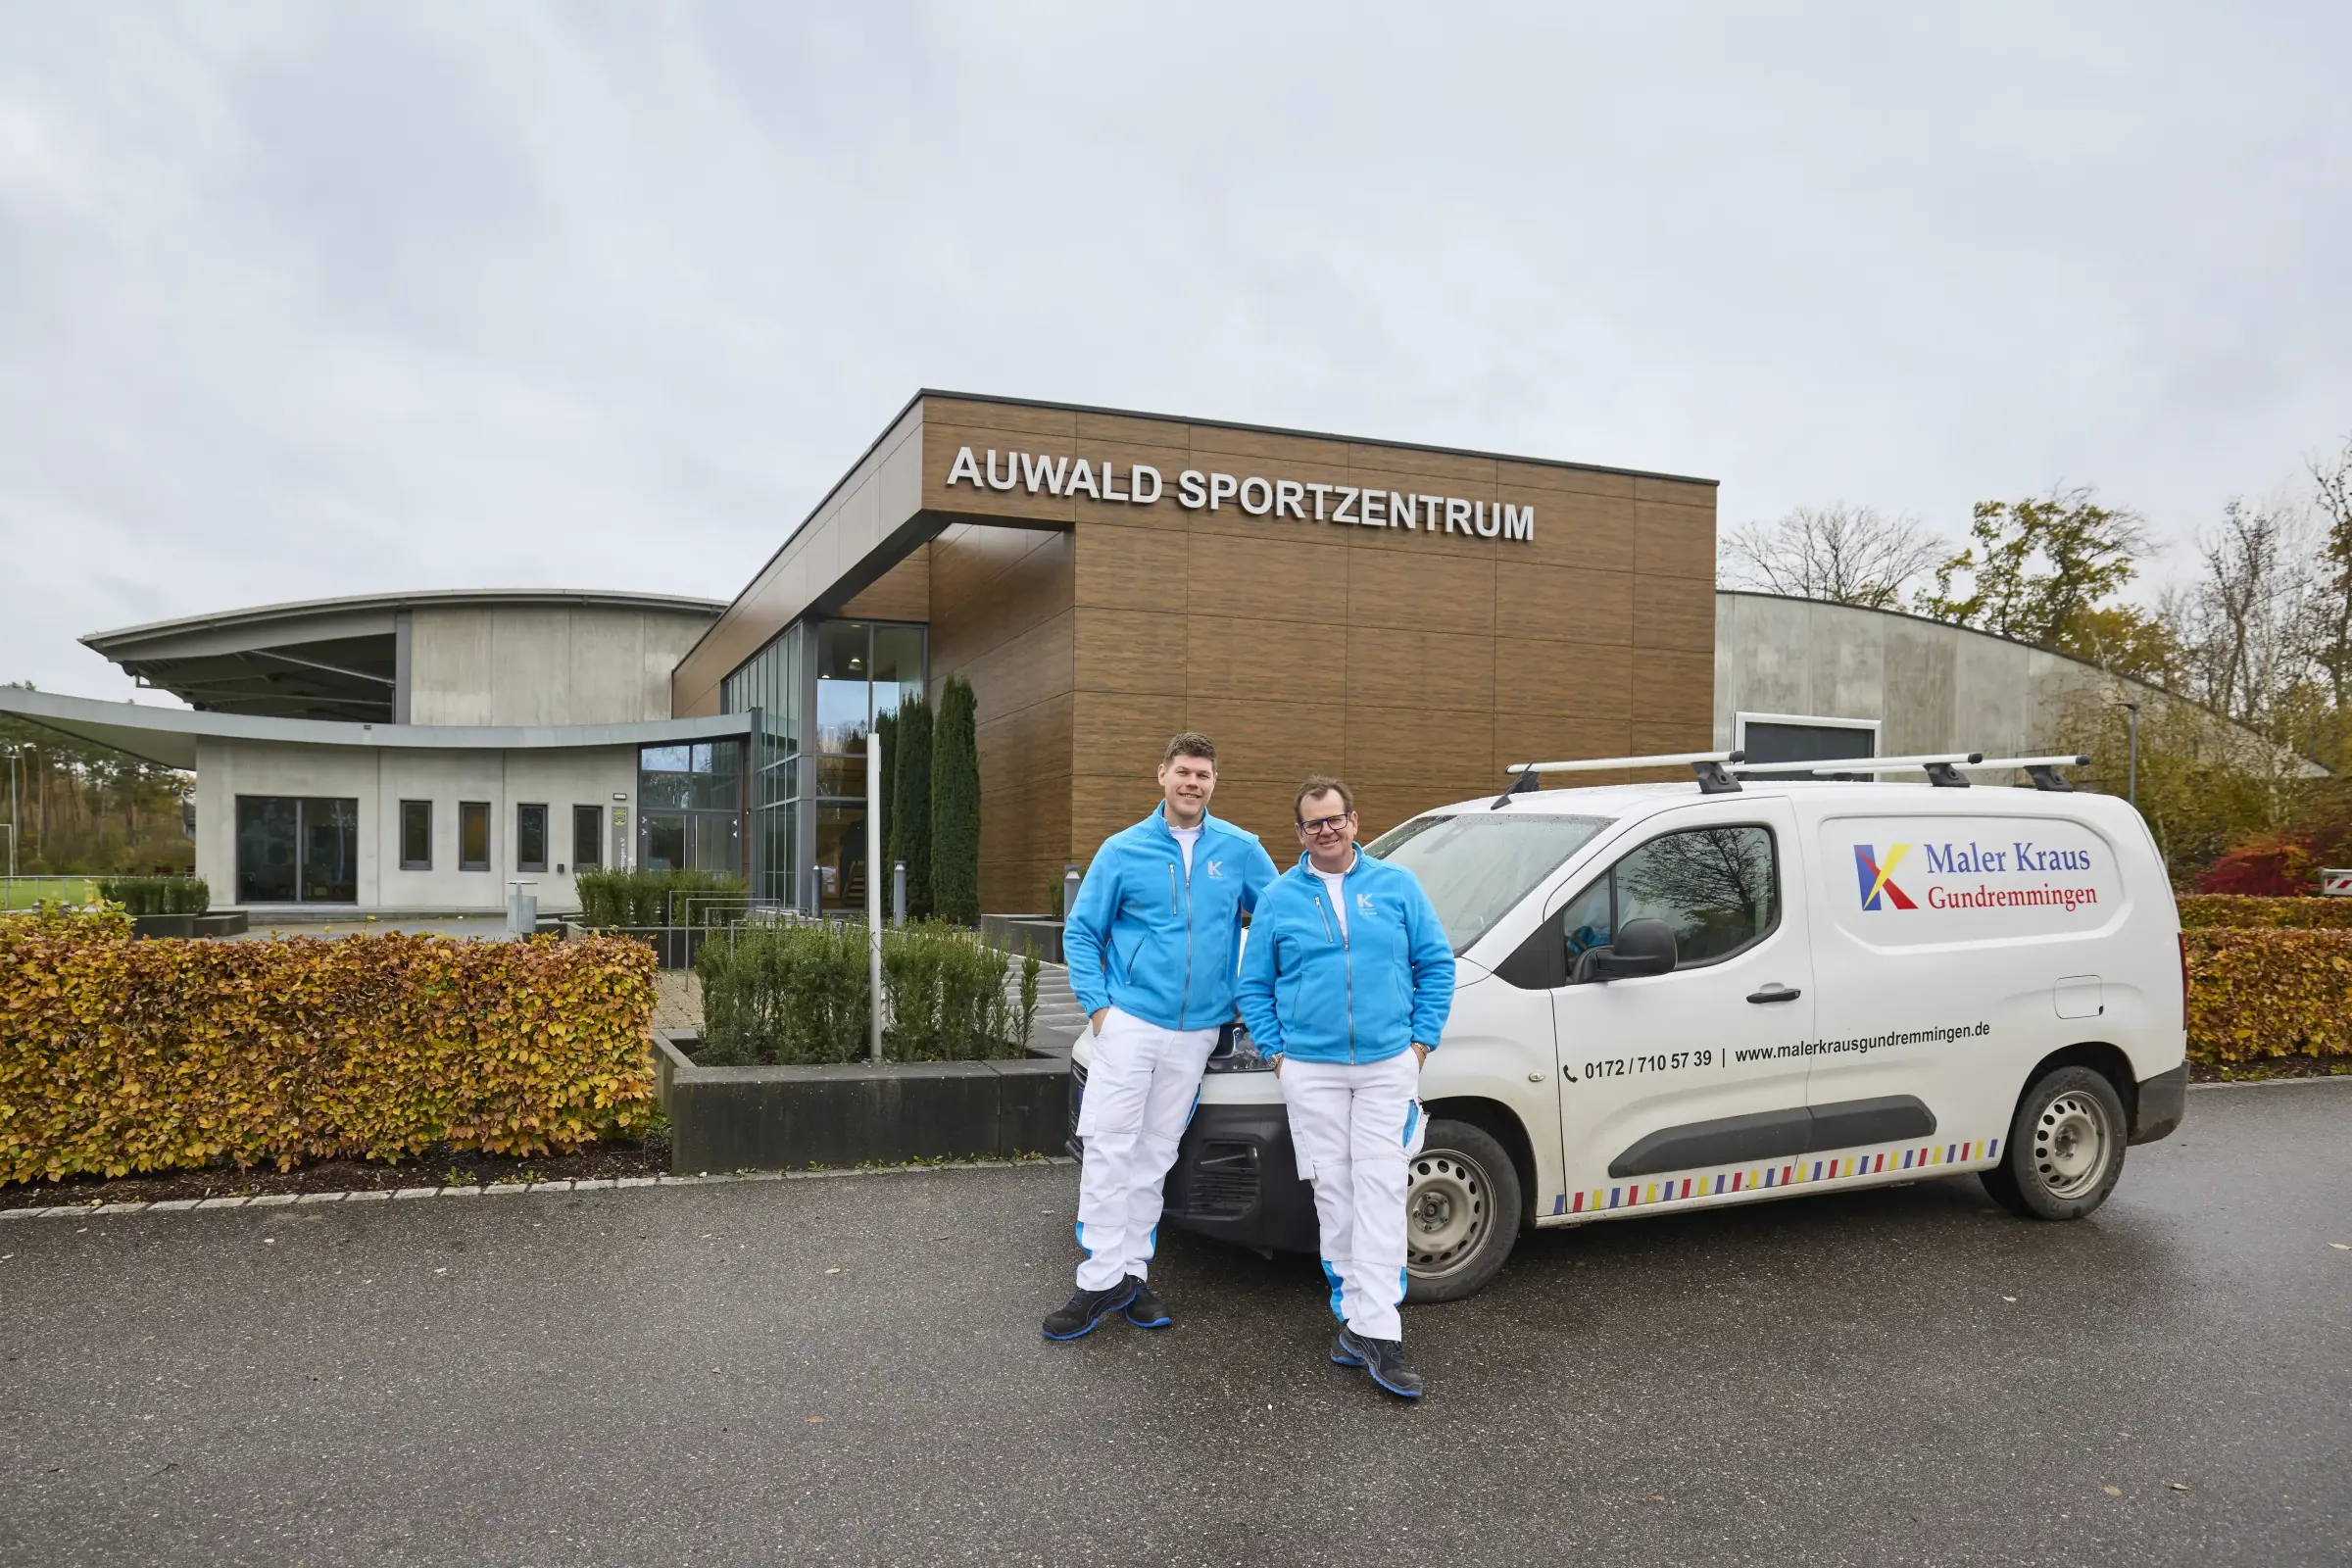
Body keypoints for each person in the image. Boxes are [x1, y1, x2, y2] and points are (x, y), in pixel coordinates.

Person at [1046, 732, 1279, 1341]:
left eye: (1203, 774)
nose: (1192, 783)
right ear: (1162, 776)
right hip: (1130, 1024)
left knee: (1155, 1154)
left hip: (1199, 1032)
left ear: (1213, 782)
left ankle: (1132, 1276)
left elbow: (1279, 923)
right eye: (1183, 772)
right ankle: (1096, 1283)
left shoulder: (1242, 849)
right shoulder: (1122, 850)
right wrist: (1101, 1011)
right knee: (1107, 1148)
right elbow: (1082, 933)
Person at [1236, 775, 1455, 1397]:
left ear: (1354, 821)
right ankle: (1353, 1319)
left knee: (1381, 1186)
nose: (1325, 831)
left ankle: (1380, 1332)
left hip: (1389, 1062)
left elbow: (1435, 964)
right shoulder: (1279, 897)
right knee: (1334, 1190)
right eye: (1313, 824)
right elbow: (1253, 985)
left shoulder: (1396, 886)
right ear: (1300, 833)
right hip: (1312, 1068)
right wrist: (1279, 1055)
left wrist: (1420, 1044)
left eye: (1335, 819)